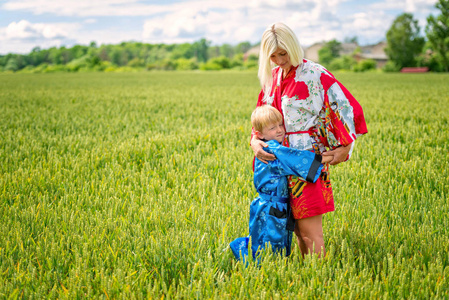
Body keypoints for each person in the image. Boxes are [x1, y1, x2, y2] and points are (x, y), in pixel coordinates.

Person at [250, 22, 368, 258]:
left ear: (293, 47)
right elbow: (260, 117)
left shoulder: (315, 74)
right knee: (289, 227)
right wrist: (254, 141)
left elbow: (346, 109)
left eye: (283, 53)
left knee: (309, 232)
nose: (279, 60)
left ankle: (320, 281)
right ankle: (305, 278)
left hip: (306, 164)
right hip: (275, 165)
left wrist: (345, 147)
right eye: (273, 55)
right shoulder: (271, 78)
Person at [230, 105, 333, 263]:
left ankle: (262, 263)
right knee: (270, 241)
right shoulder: (272, 149)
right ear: (258, 134)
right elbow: (296, 159)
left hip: (268, 205)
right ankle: (259, 268)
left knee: (269, 239)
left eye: (280, 124)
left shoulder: (269, 146)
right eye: (272, 128)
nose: (279, 130)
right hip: (272, 208)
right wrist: (326, 158)